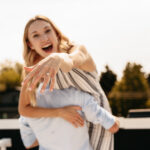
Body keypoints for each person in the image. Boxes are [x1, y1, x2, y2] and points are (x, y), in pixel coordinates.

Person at [19, 15, 119, 150]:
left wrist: (59, 58)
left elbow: (70, 62)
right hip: (71, 125)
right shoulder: (35, 70)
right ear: (30, 44)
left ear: (57, 34)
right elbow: (24, 109)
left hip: (99, 121)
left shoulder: (77, 50)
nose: (44, 38)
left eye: (48, 31)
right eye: (36, 35)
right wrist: (59, 112)